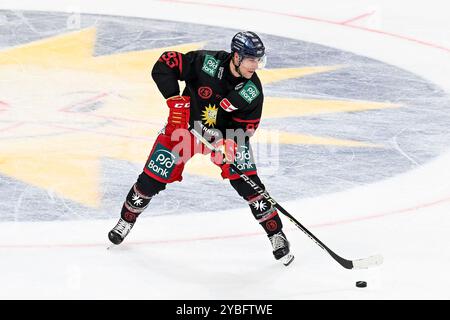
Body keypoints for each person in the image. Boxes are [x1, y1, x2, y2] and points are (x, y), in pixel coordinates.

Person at [108, 31, 294, 266]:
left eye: (259, 60)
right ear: (236, 56)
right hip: (185, 129)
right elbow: (165, 63)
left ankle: (276, 234)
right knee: (151, 179)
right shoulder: (206, 63)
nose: (255, 66)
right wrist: (173, 98)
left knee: (250, 185)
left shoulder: (252, 91)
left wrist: (230, 143)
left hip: (225, 138)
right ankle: (126, 220)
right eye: (251, 60)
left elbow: (247, 126)